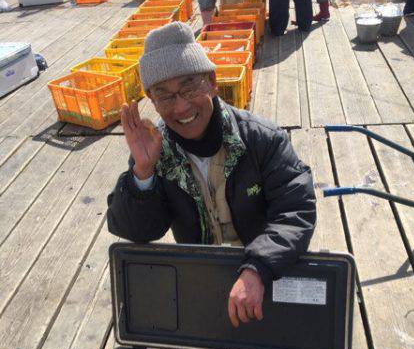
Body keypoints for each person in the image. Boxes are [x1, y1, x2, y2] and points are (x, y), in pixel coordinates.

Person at [107, 22, 317, 328]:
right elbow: (139, 231)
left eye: (189, 86)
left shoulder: (262, 139)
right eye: (164, 96)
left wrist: (257, 268)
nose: (180, 106)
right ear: (152, 102)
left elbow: (296, 210)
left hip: (266, 272)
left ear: (213, 82)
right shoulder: (156, 152)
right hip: (200, 279)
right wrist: (142, 172)